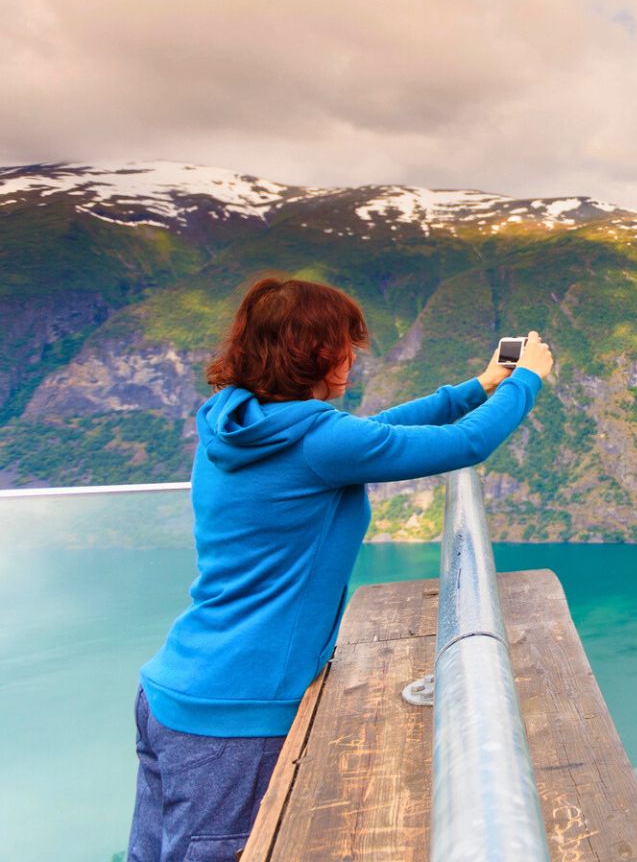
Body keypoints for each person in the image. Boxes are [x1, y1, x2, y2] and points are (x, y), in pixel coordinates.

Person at [126, 276, 553, 862]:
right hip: (235, 717)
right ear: (315, 352)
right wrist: (528, 378)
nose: (353, 356)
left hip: (172, 692)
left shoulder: (232, 422)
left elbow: (373, 436)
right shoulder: (317, 441)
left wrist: (477, 386)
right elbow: (466, 444)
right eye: (344, 343)